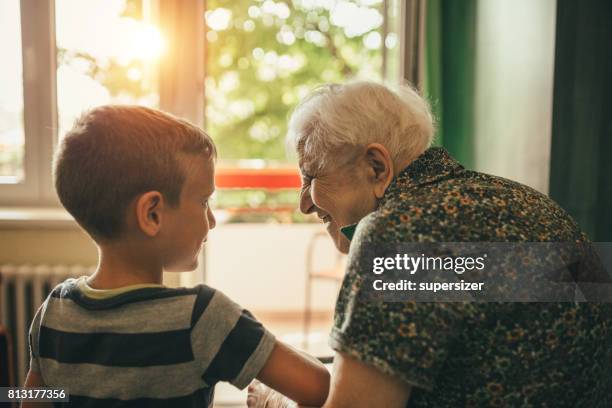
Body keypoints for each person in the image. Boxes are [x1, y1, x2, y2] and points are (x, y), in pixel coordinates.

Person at [248, 81, 611, 407]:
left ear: (376, 167)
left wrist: (274, 402)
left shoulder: (398, 234)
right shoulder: (526, 200)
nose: (304, 203)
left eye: (311, 175)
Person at [22, 106, 329, 408]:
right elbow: (316, 387)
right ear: (152, 213)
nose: (211, 220)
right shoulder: (202, 318)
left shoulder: (53, 313)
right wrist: (269, 400)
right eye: (203, 201)